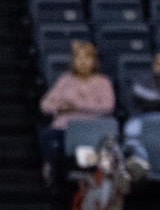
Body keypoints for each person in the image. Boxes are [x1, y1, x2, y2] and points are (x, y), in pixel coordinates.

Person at [39, 40, 117, 185]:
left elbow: (108, 106)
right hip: (65, 128)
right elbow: (45, 105)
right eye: (79, 58)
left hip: (92, 129)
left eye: (87, 58)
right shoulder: (65, 80)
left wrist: (77, 106)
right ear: (73, 61)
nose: (83, 62)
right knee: (49, 138)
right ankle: (54, 176)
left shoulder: (103, 82)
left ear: (94, 61)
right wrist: (59, 108)